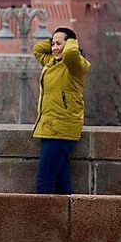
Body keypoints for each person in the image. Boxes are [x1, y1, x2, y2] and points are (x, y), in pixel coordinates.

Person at [32, 26, 90, 195]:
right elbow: (37, 50)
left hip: (61, 130)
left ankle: (46, 221)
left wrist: (71, 41)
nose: (54, 47)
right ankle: (66, 220)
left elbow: (71, 53)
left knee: (44, 182)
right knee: (61, 184)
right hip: (50, 129)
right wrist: (55, 41)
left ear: (70, 44)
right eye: (53, 43)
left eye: (59, 43)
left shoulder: (74, 65)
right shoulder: (52, 63)